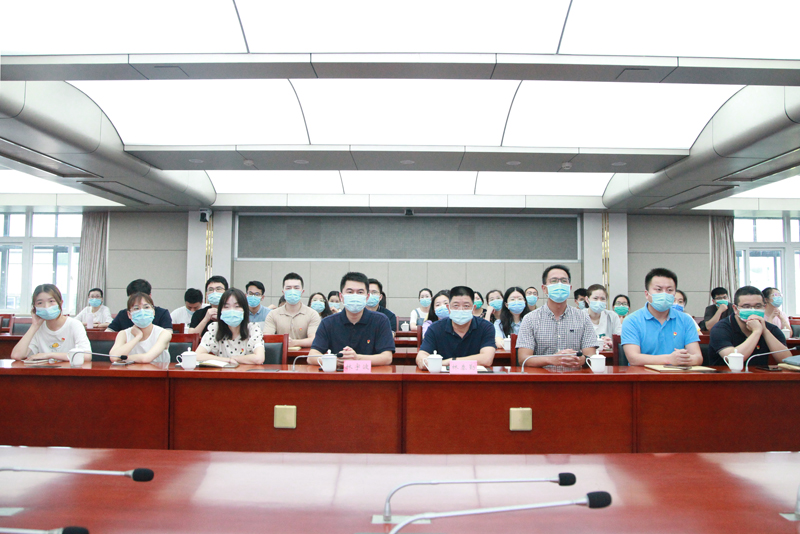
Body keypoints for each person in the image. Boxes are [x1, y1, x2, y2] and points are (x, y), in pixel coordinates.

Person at [516, 265, 598, 368]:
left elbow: (591, 357)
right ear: (544, 289)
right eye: (554, 281)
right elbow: (523, 359)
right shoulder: (530, 319)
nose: (559, 285)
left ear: (570, 288)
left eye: (564, 281)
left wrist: (581, 359)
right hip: (542, 377)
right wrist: (552, 359)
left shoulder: (583, 317)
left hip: (574, 375)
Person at [308, 272, 394, 366]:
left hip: (371, 374)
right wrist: (334, 361)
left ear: (367, 297)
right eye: (350, 292)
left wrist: (357, 358)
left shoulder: (381, 320)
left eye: (360, 292)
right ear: (341, 296)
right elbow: (312, 357)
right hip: (339, 373)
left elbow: (387, 358)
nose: (355, 296)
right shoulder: (328, 322)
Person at [621, 268, 702, 367]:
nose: (664, 294)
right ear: (647, 294)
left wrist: (685, 359)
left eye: (669, 290)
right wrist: (669, 359)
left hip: (677, 375)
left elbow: (698, 358)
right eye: (658, 289)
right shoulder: (632, 321)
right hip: (643, 375)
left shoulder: (686, 320)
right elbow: (633, 359)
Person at [416, 285, 496, 369]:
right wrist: (424, 361)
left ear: (473, 308)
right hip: (444, 376)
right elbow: (422, 355)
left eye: (466, 306)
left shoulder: (486, 327)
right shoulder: (435, 328)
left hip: (476, 376)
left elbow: (487, 359)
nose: (461, 309)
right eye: (456, 305)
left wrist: (450, 362)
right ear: (448, 308)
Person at [708, 285, 791, 366]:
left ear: (764, 307)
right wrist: (756, 332)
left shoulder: (771, 328)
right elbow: (732, 359)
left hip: (760, 374)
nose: (753, 310)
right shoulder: (720, 328)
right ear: (735, 309)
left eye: (758, 306)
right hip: (726, 374)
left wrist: (765, 331)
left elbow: (787, 360)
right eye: (746, 306)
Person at [11, 284, 91, 361]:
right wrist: (34, 326)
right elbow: (16, 355)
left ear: (60, 303)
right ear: (34, 308)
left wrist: (49, 355)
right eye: (40, 303)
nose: (46, 307)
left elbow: (87, 356)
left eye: (51, 301)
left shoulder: (74, 324)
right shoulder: (38, 328)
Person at [196, 288, 265, 365]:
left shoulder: (253, 328)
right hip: (223, 372)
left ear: (244, 310)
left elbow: (259, 358)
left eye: (237, 306)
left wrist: (234, 359)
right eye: (226, 307)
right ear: (220, 311)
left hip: (248, 372)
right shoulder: (215, 328)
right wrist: (227, 360)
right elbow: (198, 355)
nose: (232, 311)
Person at [109, 292, 172, 364]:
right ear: (129, 314)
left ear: (153, 311)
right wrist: (138, 337)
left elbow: (146, 358)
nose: (142, 311)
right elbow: (113, 357)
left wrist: (123, 358)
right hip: (130, 370)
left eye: (146, 307)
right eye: (136, 308)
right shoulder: (123, 334)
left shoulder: (164, 334)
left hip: (158, 370)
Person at [264, 272, 321, 348]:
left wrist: (294, 343)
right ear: (283, 292)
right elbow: (267, 338)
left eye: (296, 288)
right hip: (279, 354)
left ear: (302, 292)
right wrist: (285, 341)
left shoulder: (312, 314)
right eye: (288, 288)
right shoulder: (273, 314)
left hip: (304, 354)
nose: (292, 291)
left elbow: (314, 340)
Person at [107, 279, 172, 332]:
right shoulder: (123, 314)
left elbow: (168, 334)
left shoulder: (162, 313)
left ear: (149, 296)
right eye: (133, 298)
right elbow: (108, 333)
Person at [584, 284, 622, 351]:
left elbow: (620, 339)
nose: (599, 301)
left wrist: (612, 343)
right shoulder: (579, 316)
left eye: (602, 299)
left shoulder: (612, 316)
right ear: (587, 299)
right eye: (595, 298)